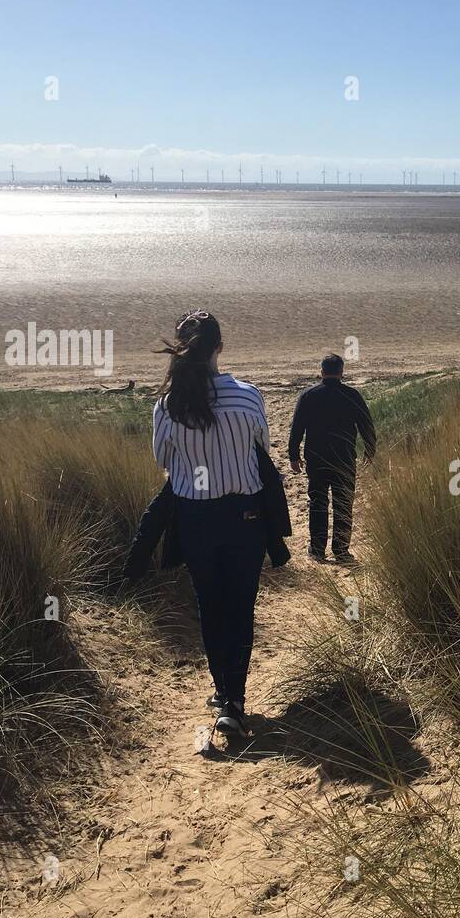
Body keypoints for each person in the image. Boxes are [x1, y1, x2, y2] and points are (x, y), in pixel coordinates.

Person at [150, 309, 275, 737]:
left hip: (196, 517)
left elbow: (163, 461)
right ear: (220, 347)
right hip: (247, 515)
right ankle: (234, 697)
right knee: (241, 606)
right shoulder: (249, 396)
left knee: (210, 604)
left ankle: (224, 692)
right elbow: (262, 448)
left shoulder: (167, 406)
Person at [288, 353, 377, 563]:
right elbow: (367, 425)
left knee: (318, 501)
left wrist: (293, 455)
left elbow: (297, 428)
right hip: (344, 459)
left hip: (317, 458)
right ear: (341, 373)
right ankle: (341, 549)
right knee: (343, 503)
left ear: (321, 372)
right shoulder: (352, 395)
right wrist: (370, 450)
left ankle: (317, 549)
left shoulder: (309, 395)